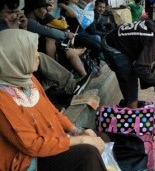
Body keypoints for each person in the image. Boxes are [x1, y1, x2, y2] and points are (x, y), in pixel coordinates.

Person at [0, 29, 106, 171]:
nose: (38, 55)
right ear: (15, 57)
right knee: (88, 153)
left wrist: (76, 131)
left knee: (100, 137)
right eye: (32, 52)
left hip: (50, 140)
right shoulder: (2, 100)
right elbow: (32, 145)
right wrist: (81, 139)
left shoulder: (27, 79)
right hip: (29, 160)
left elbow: (52, 112)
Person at [0, 0, 83, 97]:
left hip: (19, 58)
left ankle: (72, 85)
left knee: (40, 55)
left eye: (15, 12)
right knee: (41, 55)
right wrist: (13, 31)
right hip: (7, 64)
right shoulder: (14, 23)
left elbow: (23, 47)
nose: (14, 16)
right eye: (10, 12)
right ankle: (68, 85)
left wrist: (21, 28)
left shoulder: (19, 21)